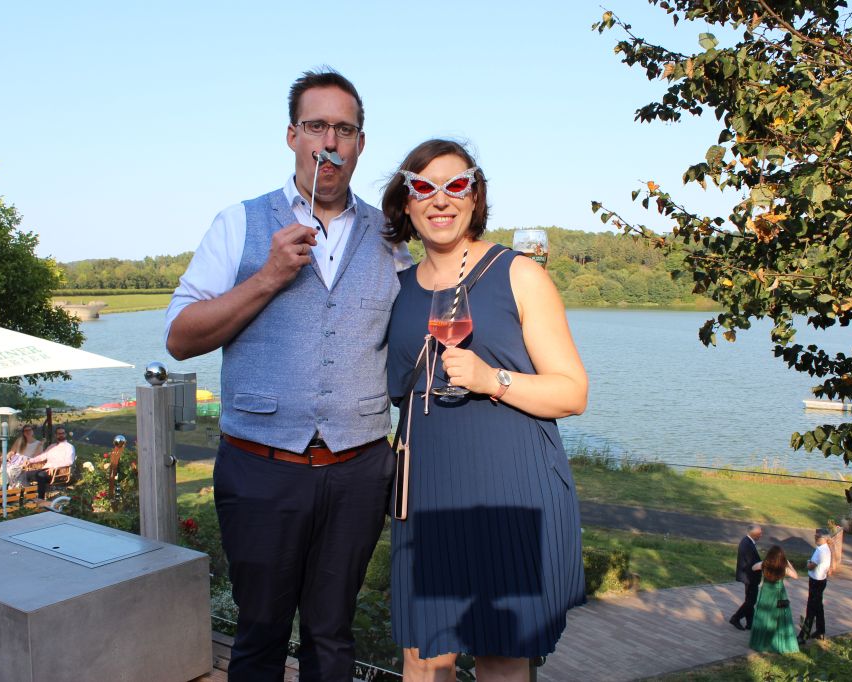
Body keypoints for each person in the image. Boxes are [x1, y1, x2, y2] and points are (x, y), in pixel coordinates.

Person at [165, 68, 410, 681]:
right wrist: (268, 276)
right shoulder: (238, 223)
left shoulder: (391, 239)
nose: (330, 141)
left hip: (357, 471)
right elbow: (180, 338)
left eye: (344, 129)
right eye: (316, 125)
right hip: (260, 468)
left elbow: (417, 337)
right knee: (260, 635)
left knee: (333, 636)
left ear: (360, 143)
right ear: (292, 136)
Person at [381, 139, 588, 681]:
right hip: (428, 493)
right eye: (423, 187)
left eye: (456, 185)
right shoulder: (396, 289)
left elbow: (572, 392)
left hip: (509, 488)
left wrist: (491, 379)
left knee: (500, 654)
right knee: (425, 656)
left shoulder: (518, 274)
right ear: (406, 202)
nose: (440, 199)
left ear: (475, 197)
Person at [748, 545, 800, 654]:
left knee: (764, 616)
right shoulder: (783, 568)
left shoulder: (764, 565)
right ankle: (778, 641)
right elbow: (796, 576)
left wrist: (764, 562)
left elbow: (753, 567)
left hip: (766, 593)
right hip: (779, 594)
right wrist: (788, 563)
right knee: (780, 617)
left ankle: (762, 641)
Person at [798, 528, 833, 643]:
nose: (815, 538)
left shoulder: (821, 551)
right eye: (815, 536)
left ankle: (803, 636)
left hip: (816, 582)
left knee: (811, 609)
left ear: (825, 539)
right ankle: (820, 631)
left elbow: (810, 566)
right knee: (818, 607)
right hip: (821, 581)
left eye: (818, 537)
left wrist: (808, 562)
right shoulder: (824, 548)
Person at [25, 425, 75, 498]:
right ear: (56, 435)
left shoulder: (69, 447)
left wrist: (55, 467)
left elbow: (69, 461)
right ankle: (28, 496)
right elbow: (42, 456)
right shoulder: (52, 446)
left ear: (65, 434)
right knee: (26, 474)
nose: (61, 435)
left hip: (58, 471)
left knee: (40, 475)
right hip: (46, 469)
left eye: (63, 433)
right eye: (59, 433)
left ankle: (41, 498)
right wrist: (30, 461)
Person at [729, 524, 763, 630]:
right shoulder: (747, 544)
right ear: (754, 534)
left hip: (748, 576)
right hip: (750, 577)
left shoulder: (747, 542)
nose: (761, 535)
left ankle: (750, 623)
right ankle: (736, 618)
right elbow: (753, 564)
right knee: (750, 601)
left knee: (749, 600)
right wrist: (765, 564)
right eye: (760, 533)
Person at [6, 424, 42, 488]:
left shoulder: (38, 443)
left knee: (13, 470)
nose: (28, 432)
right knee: (5, 468)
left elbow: (37, 457)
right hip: (15, 459)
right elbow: (12, 451)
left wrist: (28, 462)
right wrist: (8, 456)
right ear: (23, 432)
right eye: (26, 431)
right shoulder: (19, 440)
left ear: (32, 431)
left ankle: (15, 486)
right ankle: (9, 485)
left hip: (27, 462)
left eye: (29, 430)